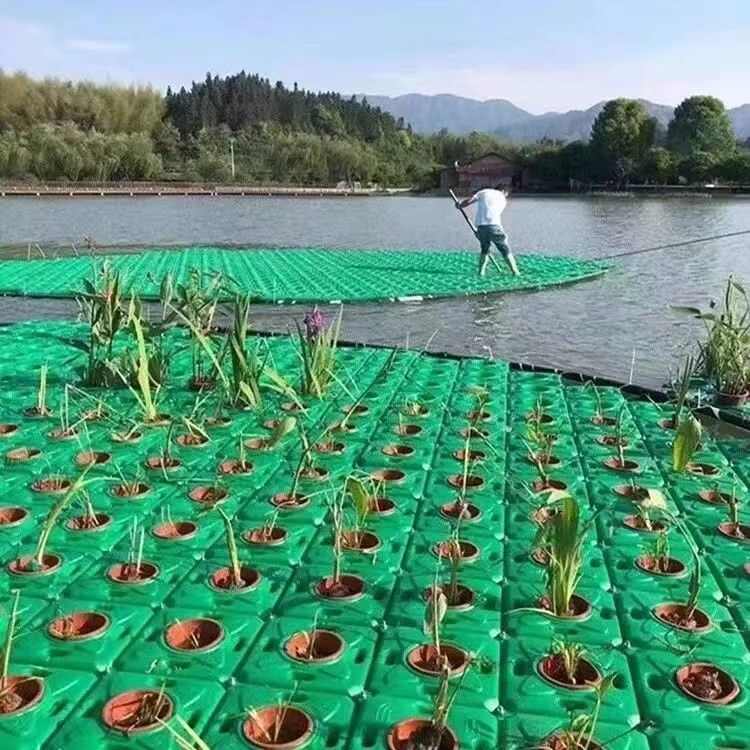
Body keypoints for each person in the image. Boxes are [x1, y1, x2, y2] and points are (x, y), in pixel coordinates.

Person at [455, 184, 519, 276]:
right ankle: (515, 271)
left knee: (485, 250)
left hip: (481, 227)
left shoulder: (484, 192)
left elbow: (468, 201)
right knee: (505, 249)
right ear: (504, 192)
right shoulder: (503, 199)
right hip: (494, 226)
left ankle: (481, 272)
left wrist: (459, 205)